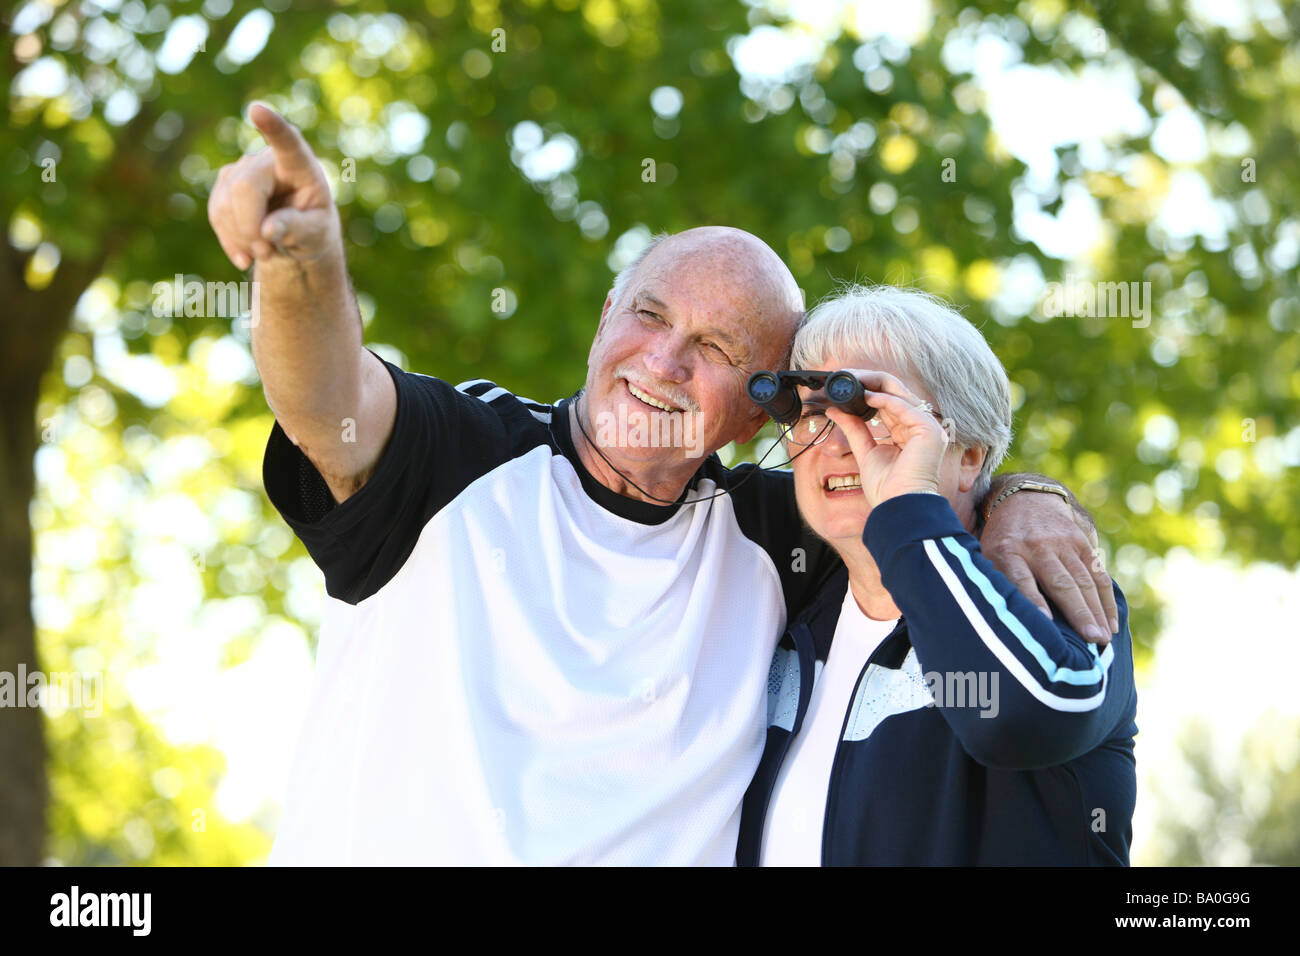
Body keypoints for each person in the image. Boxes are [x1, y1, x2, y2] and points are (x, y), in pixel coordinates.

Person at [207, 103, 1119, 865]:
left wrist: (1021, 497)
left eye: (719, 351)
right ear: (607, 316)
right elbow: (326, 401)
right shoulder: (458, 456)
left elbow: (911, 504)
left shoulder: (780, 535)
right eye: (648, 315)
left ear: (762, 414)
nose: (665, 363)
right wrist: (305, 264)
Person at [736, 285, 1137, 866]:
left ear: (969, 455)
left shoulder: (1048, 590)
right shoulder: (786, 602)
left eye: (870, 411)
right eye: (811, 413)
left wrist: (908, 507)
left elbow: (1025, 716)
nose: (840, 444)